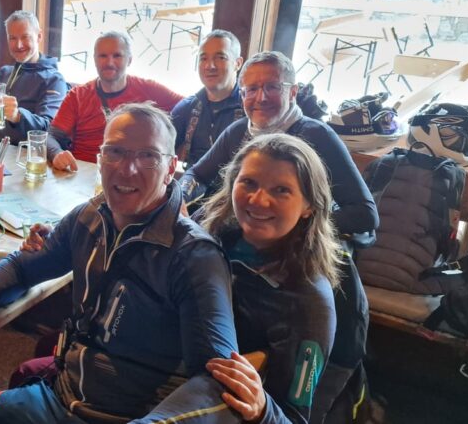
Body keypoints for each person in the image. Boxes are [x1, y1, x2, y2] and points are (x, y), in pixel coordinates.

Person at [0, 102, 240, 423]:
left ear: (170, 168)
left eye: (148, 156)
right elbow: (22, 268)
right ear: (100, 158)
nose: (128, 168)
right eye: (115, 152)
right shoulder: (90, 217)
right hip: (57, 400)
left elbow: (216, 382)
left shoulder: (195, 257)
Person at [178, 50, 378, 422]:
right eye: (250, 89)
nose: (260, 97)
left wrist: (295, 221)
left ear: (293, 91)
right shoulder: (239, 136)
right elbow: (196, 175)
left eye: (271, 87)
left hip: (312, 294)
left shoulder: (316, 135)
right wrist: (180, 199)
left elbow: (367, 213)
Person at [194, 133, 341, 423]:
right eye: (249, 183)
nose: (259, 200)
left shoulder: (309, 302)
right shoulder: (207, 233)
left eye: (281, 190)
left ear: (309, 206)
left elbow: (295, 416)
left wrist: (261, 410)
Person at [47, 31, 182, 171]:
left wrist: (168, 144)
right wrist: (57, 154)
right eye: (103, 56)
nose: (109, 63)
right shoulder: (77, 96)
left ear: (129, 60)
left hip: (131, 172)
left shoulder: (149, 89)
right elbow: (51, 136)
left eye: (117, 56)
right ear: (95, 60)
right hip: (84, 171)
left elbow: (190, 107)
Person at [0, 10, 67, 144]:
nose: (18, 45)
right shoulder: (4, 73)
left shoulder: (54, 80)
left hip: (24, 153)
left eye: (25, 37)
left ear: (39, 36)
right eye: (12, 38)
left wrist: (18, 116)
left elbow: (48, 130)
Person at [171, 29, 244, 167]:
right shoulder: (186, 108)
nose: (210, 66)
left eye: (220, 57)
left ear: (238, 63)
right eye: (203, 58)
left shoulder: (250, 109)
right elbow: (162, 151)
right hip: (191, 179)